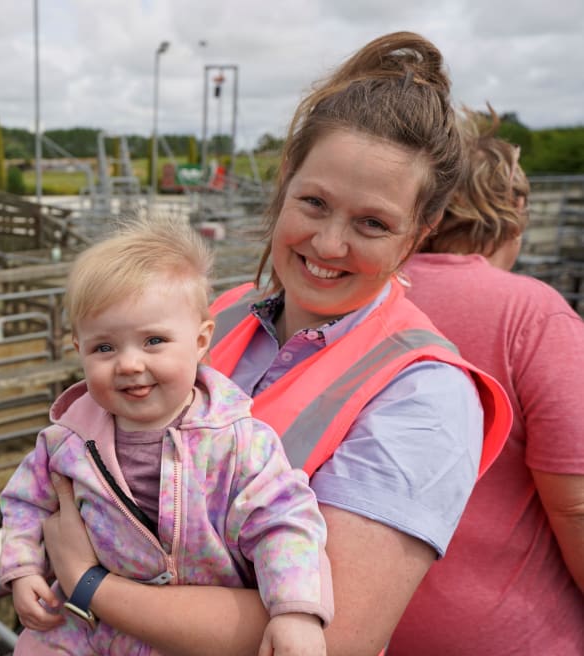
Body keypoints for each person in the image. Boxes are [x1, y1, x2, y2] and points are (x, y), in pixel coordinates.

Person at [39, 31, 514, 656]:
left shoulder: (426, 396)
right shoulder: (224, 313)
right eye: (313, 203)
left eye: (372, 223)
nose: (328, 245)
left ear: (419, 232)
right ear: (285, 180)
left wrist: (88, 583)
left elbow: (336, 637)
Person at [0, 216, 334, 655]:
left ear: (199, 341)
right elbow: (25, 502)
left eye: (153, 340)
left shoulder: (239, 443)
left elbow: (283, 523)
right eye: (104, 348)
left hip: (189, 633)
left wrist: (295, 610)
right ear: (77, 349)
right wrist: (23, 570)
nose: (130, 364)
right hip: (86, 631)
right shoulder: (66, 442)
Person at [389, 110, 584, 654]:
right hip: (511, 635)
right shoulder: (532, 314)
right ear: (515, 210)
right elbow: (576, 504)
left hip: (366, 625)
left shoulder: (368, 298)